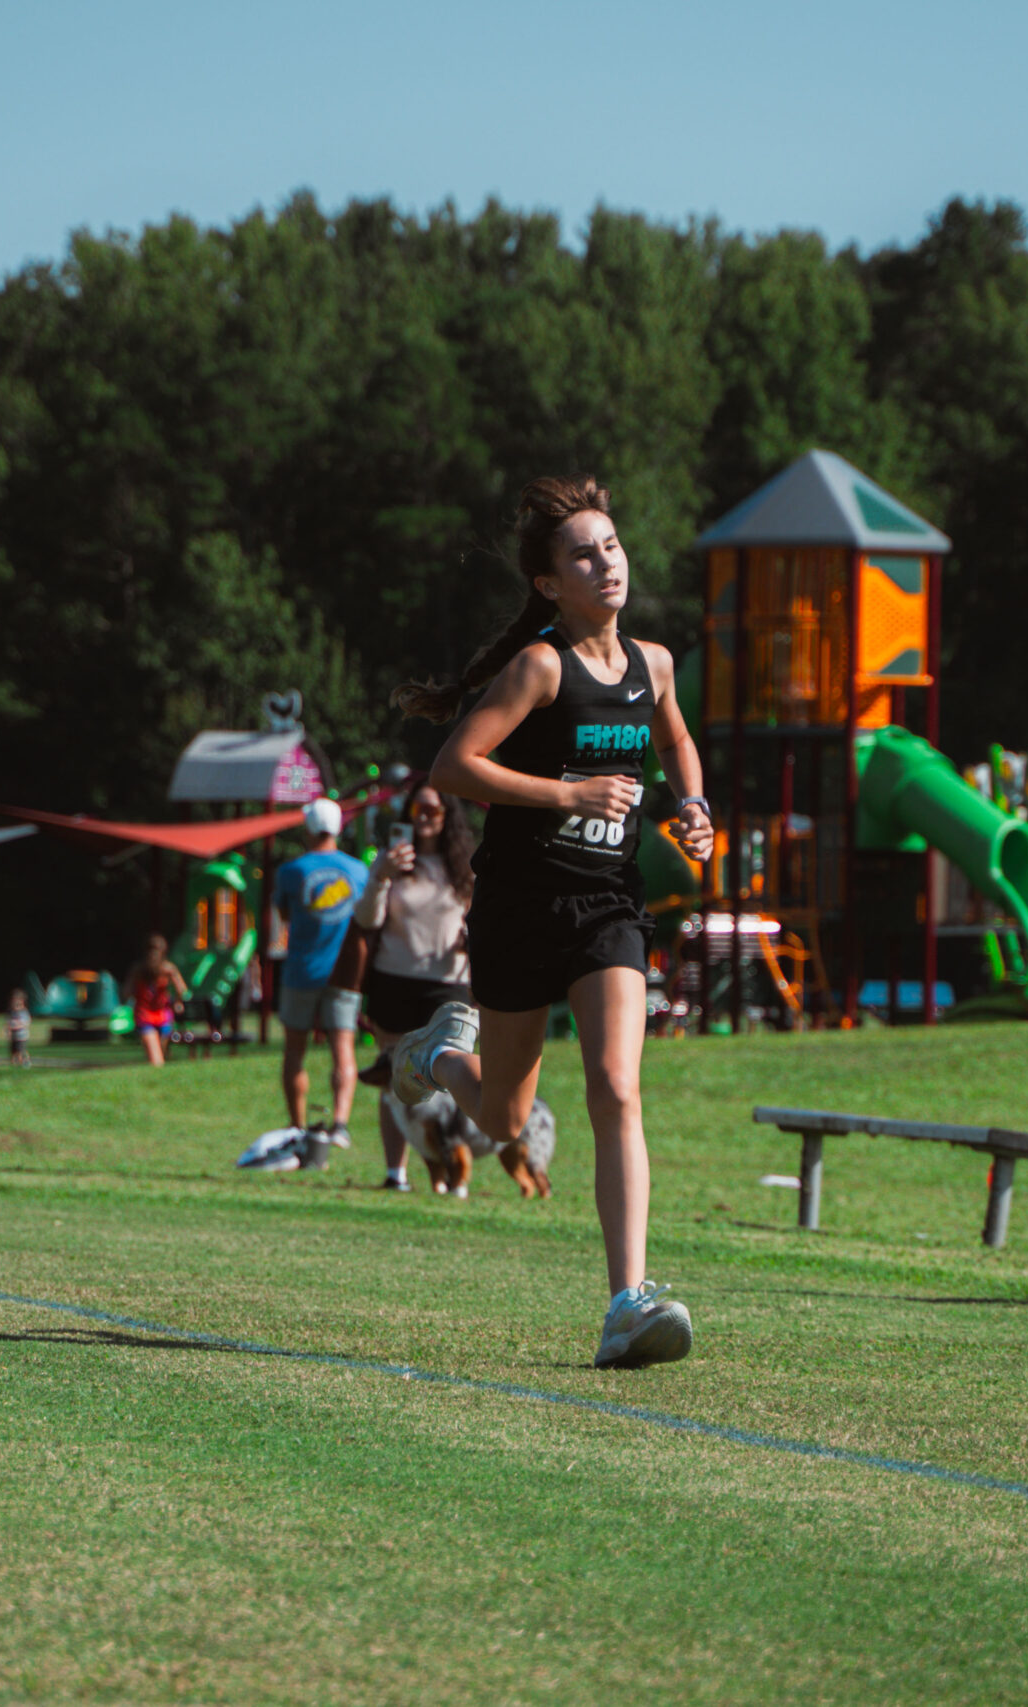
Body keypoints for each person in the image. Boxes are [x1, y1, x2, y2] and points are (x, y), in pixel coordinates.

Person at [387, 475, 716, 1368]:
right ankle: (435, 1056)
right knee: (503, 1119)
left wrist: (692, 803)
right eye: (583, 555)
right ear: (548, 584)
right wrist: (569, 793)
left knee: (616, 1086)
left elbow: (676, 737)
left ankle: (627, 1302)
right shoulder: (540, 667)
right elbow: (454, 766)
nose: (605, 563)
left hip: (609, 904)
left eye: (611, 546)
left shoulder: (654, 664)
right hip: (518, 906)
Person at [354, 778, 476, 1191]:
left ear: (447, 815)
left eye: (432, 810)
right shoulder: (390, 860)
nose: (423, 818)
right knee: (394, 1080)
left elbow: (481, 919)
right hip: (395, 981)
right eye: (416, 810)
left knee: (451, 1079)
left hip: (449, 983)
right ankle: (396, 1173)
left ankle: (454, 1172)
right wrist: (381, 875)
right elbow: (367, 918)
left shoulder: (465, 866)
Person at [273, 798, 370, 1166]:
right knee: (342, 1047)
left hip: (301, 970)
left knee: (295, 1050)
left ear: (308, 829)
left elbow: (285, 915)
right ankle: (340, 1125)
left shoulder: (291, 871)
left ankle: (297, 1126)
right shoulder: (358, 871)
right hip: (346, 973)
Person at [126, 935, 192, 1067]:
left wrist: (178, 1002)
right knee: (156, 1058)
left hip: (163, 1016)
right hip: (144, 1016)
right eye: (151, 951)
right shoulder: (138, 971)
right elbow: (127, 992)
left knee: (161, 1053)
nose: (153, 955)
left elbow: (182, 990)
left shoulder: (168, 969)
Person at [4, 988, 32, 1067]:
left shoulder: (24, 1012)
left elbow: (26, 1023)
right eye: (13, 1002)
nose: (15, 1004)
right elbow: (7, 1023)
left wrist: (17, 1025)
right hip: (14, 1036)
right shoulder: (12, 1012)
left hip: (21, 1036)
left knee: (20, 1050)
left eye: (18, 1002)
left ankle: (24, 1061)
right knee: (13, 1050)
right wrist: (7, 1031)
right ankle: (14, 1063)